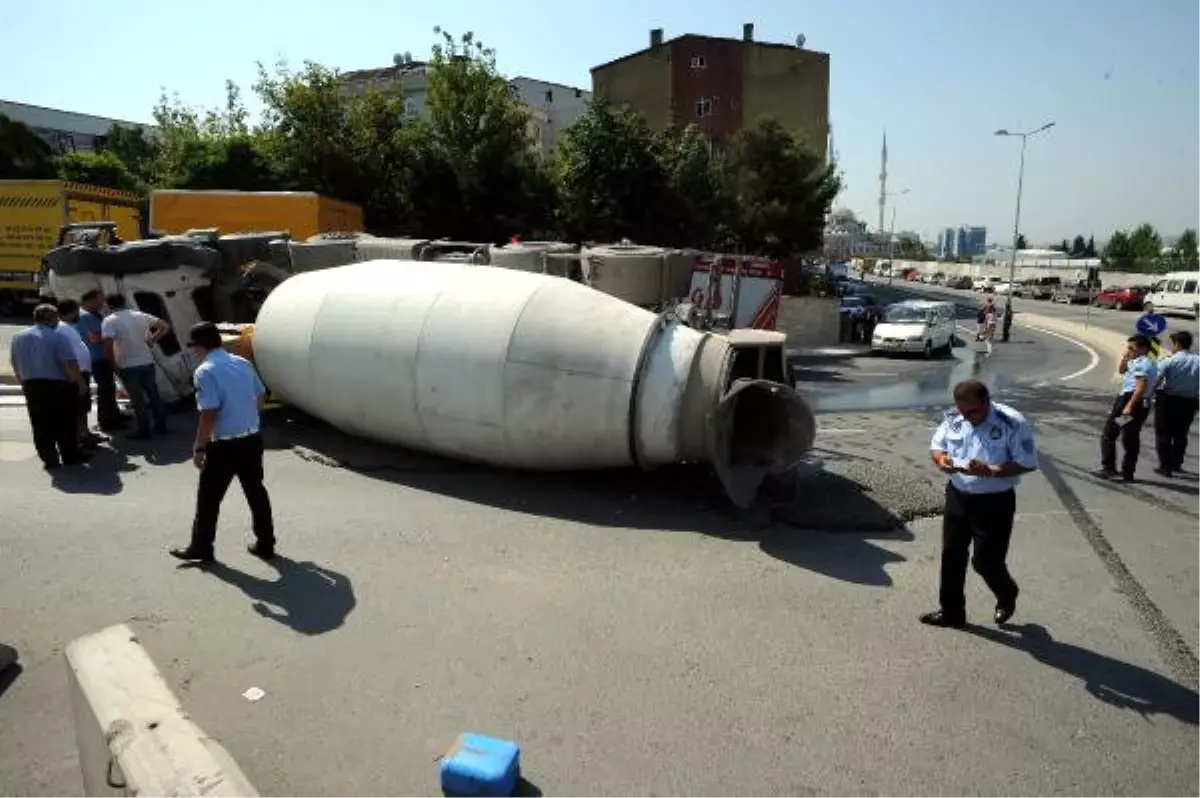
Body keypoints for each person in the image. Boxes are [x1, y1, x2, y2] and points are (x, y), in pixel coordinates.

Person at [922, 379, 1038, 628]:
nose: (968, 417)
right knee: (951, 555)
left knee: (986, 561)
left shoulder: (1012, 422)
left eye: (973, 412)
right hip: (958, 494)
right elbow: (937, 446)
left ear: (986, 401)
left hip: (994, 502)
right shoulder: (955, 416)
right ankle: (952, 613)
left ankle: (1006, 593)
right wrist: (942, 460)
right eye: (964, 412)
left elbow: (1026, 462)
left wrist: (991, 471)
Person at [170, 322, 276, 563]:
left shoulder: (205, 371)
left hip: (224, 446)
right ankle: (266, 543)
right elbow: (260, 394)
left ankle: (202, 547)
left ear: (199, 346)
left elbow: (208, 413)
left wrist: (199, 447)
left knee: (208, 498)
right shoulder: (242, 363)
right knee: (256, 492)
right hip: (251, 438)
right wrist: (249, 418)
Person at [9, 304, 89, 469]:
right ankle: (70, 455)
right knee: (64, 422)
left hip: (32, 385)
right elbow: (70, 364)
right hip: (58, 385)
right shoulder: (58, 337)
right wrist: (79, 383)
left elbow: (15, 363)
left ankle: (49, 458)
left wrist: (23, 382)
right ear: (51, 318)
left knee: (40, 423)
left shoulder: (18, 337)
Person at [100, 294, 172, 439]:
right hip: (146, 360)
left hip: (127, 364)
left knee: (137, 399)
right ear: (124, 302)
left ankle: (144, 430)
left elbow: (107, 345)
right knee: (153, 394)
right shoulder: (140, 315)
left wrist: (113, 364)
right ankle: (161, 426)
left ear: (109, 306)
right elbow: (164, 326)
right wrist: (153, 340)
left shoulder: (109, 321)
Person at [1097, 334, 1159, 482]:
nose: (1128, 350)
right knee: (1130, 437)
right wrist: (1125, 358)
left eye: (1132, 348)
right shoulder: (1137, 361)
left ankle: (1109, 468)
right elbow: (1121, 370)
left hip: (1130, 401)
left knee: (1109, 434)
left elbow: (1140, 387)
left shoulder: (1142, 363)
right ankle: (1127, 472)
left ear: (1143, 348)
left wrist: (1129, 406)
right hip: (1136, 402)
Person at [55, 298, 107, 449]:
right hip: (75, 373)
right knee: (77, 406)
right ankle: (79, 438)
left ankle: (84, 433)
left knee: (83, 406)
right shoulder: (61, 328)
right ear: (69, 313)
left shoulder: (69, 326)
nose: (79, 314)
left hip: (81, 371)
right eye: (76, 311)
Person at [77, 289, 127, 431]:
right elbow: (94, 337)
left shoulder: (95, 315)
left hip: (103, 355)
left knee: (110, 387)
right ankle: (106, 420)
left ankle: (114, 414)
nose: (102, 303)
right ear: (90, 300)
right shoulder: (85, 317)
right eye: (99, 300)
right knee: (105, 388)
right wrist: (111, 338)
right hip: (96, 357)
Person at [1153, 330, 1200, 477]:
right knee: (1181, 433)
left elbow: (1156, 381)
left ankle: (1165, 466)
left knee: (1164, 433)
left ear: (1177, 344)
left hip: (1169, 401)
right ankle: (1177, 463)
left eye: (1172, 344)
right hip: (1190, 401)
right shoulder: (1198, 360)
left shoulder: (1169, 360)